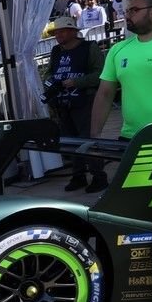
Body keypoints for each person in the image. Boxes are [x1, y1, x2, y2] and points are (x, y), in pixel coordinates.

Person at [90, 0, 152, 139]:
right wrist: (94, 136)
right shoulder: (118, 49)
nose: (127, 16)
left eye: (134, 10)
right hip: (130, 139)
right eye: (126, 11)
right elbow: (104, 94)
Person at [43, 15, 108, 192]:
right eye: (56, 32)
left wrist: (76, 82)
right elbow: (49, 73)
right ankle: (78, 175)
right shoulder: (56, 51)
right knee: (69, 141)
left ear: (73, 31)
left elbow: (101, 74)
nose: (58, 35)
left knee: (88, 139)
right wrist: (50, 82)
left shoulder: (89, 48)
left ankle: (98, 176)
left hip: (85, 100)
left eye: (62, 31)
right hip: (63, 102)